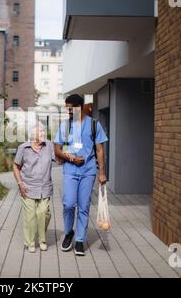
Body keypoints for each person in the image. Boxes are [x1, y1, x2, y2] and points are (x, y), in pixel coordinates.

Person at [54, 94, 108, 256]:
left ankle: (79, 239)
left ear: (80, 107)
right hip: (71, 170)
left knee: (83, 206)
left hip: (88, 171)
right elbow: (57, 149)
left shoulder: (94, 125)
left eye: (71, 109)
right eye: (67, 109)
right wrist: (69, 157)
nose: (69, 112)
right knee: (69, 203)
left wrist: (102, 173)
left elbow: (99, 149)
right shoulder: (65, 125)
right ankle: (69, 232)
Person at [13, 121, 55, 253]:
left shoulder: (49, 146)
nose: (43, 134)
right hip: (28, 187)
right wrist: (20, 183)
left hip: (45, 187)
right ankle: (31, 242)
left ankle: (41, 239)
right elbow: (16, 167)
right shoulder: (23, 148)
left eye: (44, 131)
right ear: (33, 135)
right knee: (30, 216)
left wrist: (70, 155)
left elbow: (58, 159)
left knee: (44, 213)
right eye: (40, 132)